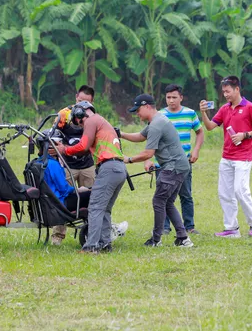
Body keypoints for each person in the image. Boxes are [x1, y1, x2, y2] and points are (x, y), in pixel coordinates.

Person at [121, 94, 194, 248]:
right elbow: (141, 136)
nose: (137, 113)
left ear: (147, 106)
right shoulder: (158, 119)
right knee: (167, 202)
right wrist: (120, 134)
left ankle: (156, 240)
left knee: (159, 201)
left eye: (138, 110)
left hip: (172, 167)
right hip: (180, 166)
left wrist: (129, 160)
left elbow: (148, 153)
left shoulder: (156, 124)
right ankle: (183, 238)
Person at [199, 76, 252, 238]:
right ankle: (231, 228)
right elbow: (209, 127)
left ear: (237, 89)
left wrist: (245, 135)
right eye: (223, 92)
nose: (226, 94)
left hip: (243, 157)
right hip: (226, 157)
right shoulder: (224, 109)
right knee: (225, 193)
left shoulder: (250, 107)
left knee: (240, 191)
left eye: (228, 91)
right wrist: (203, 113)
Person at [55, 101, 127, 254]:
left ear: (82, 113)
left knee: (95, 207)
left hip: (109, 167)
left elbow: (82, 146)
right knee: (105, 209)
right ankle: (105, 244)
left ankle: (90, 247)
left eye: (79, 121)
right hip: (119, 168)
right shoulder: (101, 121)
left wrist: (64, 149)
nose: (80, 125)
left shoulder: (91, 120)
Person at [35, 129, 128, 241]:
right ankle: (104, 230)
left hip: (50, 203)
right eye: (59, 143)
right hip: (60, 204)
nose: (62, 146)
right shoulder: (53, 164)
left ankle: (103, 228)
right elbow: (64, 189)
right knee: (95, 195)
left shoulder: (38, 162)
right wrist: (79, 190)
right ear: (51, 146)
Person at [153, 84, 204, 236]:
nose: (171, 100)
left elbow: (200, 132)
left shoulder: (190, 114)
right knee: (164, 196)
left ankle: (189, 226)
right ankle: (165, 227)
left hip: (184, 163)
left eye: (174, 97)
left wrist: (196, 150)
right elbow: (152, 138)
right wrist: (148, 159)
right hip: (163, 163)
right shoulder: (159, 115)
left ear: (181, 97)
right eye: (168, 97)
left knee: (186, 194)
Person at [50, 85, 96, 245]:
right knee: (63, 199)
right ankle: (58, 236)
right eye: (80, 100)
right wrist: (59, 150)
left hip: (88, 165)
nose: (82, 104)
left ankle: (92, 232)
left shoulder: (93, 116)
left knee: (93, 199)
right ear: (76, 97)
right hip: (68, 165)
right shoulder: (63, 114)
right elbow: (54, 136)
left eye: (87, 102)